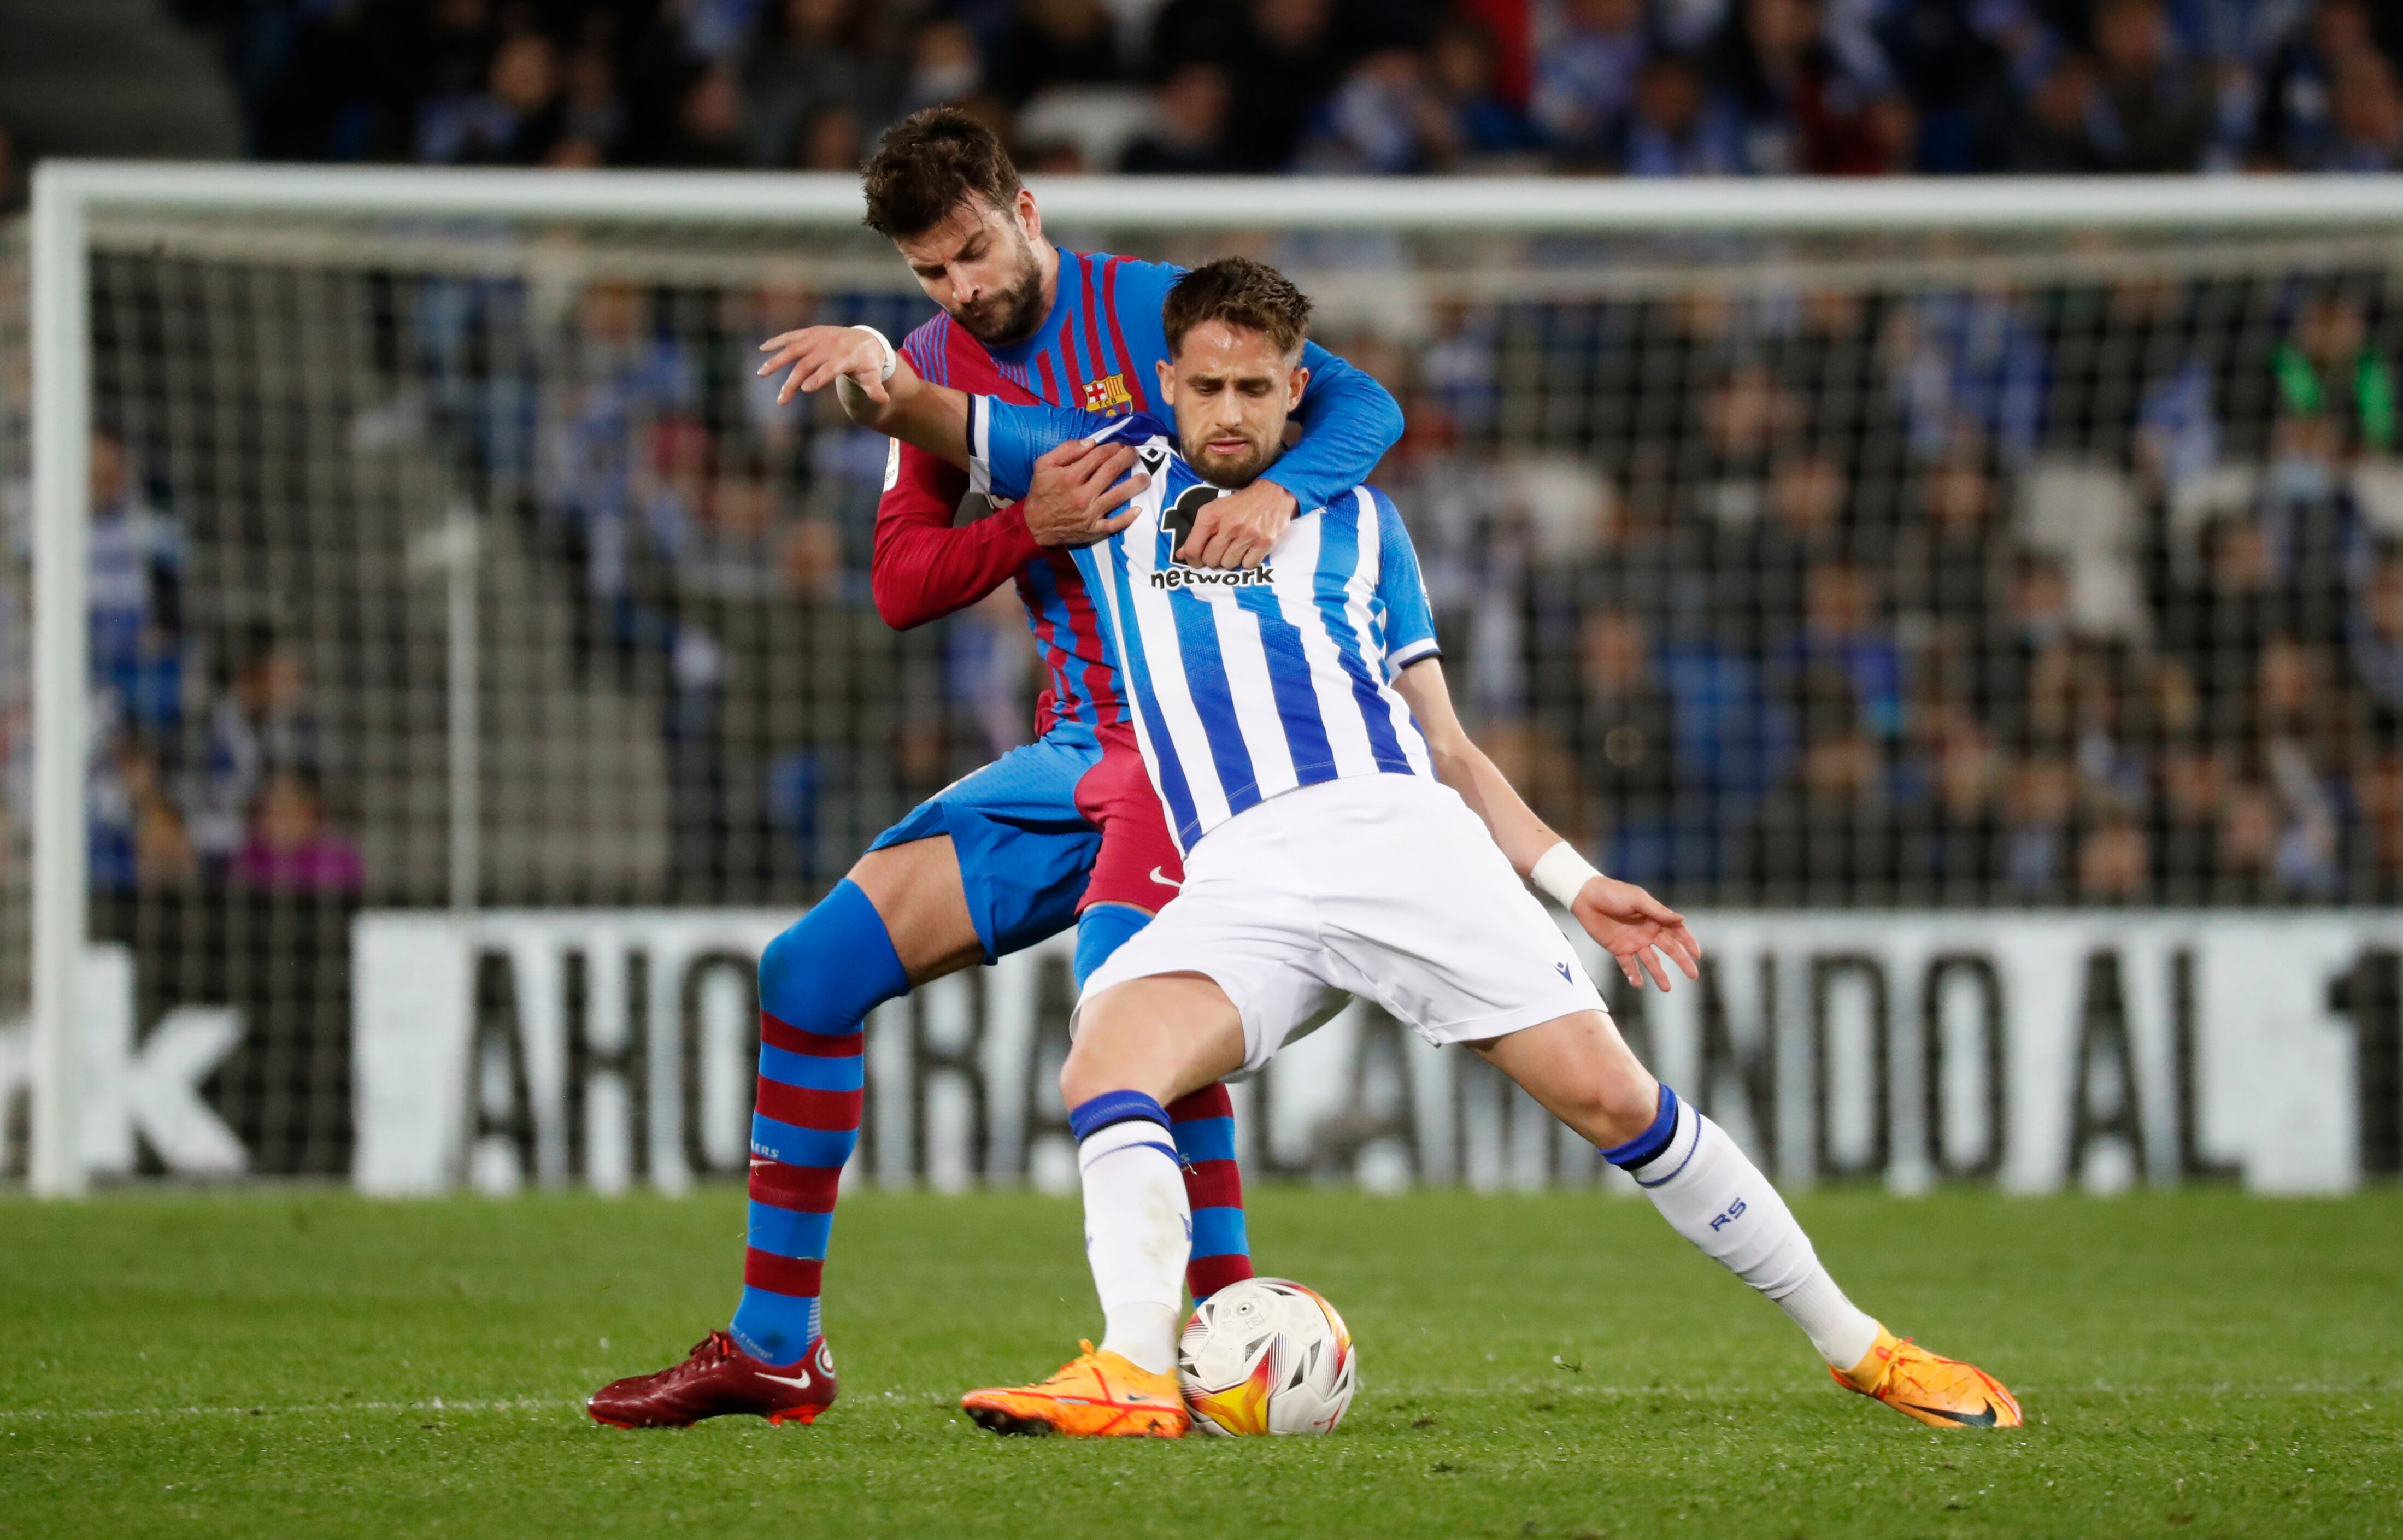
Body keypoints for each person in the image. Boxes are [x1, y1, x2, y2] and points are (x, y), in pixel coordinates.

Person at [791, 255, 2021, 1437]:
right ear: (1167, 385)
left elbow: (1451, 747)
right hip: (1240, 877)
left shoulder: (1367, 525)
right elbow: (915, 407)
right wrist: (867, 359)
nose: (1230, 412)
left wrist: (1577, 880)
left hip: (1398, 848)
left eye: (1256, 387)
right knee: (1106, 1058)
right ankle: (1132, 1365)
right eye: (1206, 386)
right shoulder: (1107, 478)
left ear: (1297, 389)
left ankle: (1862, 1344)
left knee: (1615, 1099)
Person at [586, 109, 1404, 1430]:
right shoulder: (926, 366)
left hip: (1194, 746)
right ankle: (777, 1347)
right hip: (1076, 748)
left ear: (1025, 210)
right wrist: (1027, 523)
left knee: (1131, 1019)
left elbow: (1367, 404)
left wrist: (1280, 496)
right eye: (929, 271)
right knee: (807, 972)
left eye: (972, 251)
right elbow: (902, 582)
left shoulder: (1152, 310)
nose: (960, 287)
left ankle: (1201, 1344)